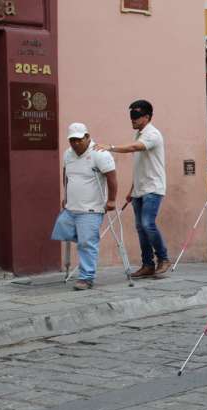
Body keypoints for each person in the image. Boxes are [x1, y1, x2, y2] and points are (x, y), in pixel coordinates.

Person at [95, 100, 170, 278]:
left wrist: (111, 147)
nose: (132, 119)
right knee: (140, 228)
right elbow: (141, 166)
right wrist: (131, 190)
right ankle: (147, 265)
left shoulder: (152, 134)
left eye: (136, 116)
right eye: (131, 116)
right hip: (139, 190)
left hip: (153, 188)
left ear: (147, 116)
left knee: (147, 224)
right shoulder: (139, 134)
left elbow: (135, 148)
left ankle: (164, 258)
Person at [52, 123, 117, 291]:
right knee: (61, 228)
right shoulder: (68, 154)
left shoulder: (100, 154)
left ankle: (86, 277)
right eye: (72, 140)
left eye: (79, 140)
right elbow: (66, 176)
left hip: (91, 209)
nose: (75, 143)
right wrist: (65, 196)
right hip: (72, 207)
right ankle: (87, 238)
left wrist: (111, 200)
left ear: (87, 137)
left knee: (86, 243)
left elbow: (111, 178)